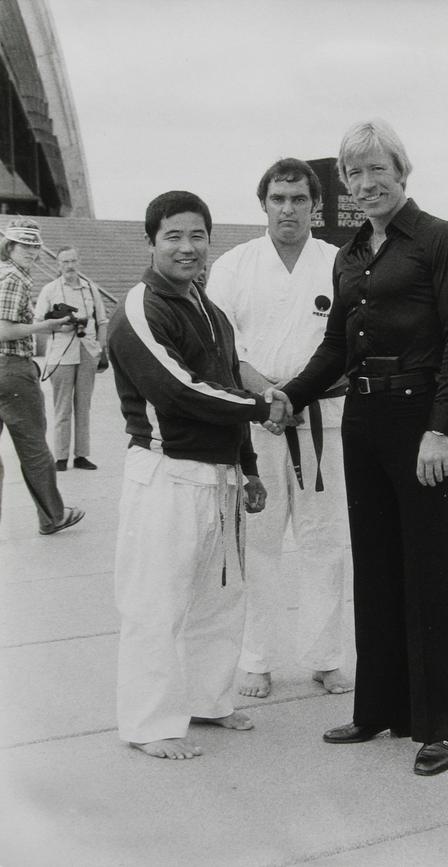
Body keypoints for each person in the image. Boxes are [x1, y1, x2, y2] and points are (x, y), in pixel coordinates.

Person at [274, 120, 448, 776]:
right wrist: (291, 397)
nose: (364, 184)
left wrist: (441, 427)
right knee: (376, 564)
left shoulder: (441, 241)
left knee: (431, 570)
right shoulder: (350, 252)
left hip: (420, 419)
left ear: (402, 170)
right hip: (363, 420)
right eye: (353, 173)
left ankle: (441, 722)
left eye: (375, 170)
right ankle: (380, 707)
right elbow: (335, 343)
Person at [108, 191, 290, 760]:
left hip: (220, 476)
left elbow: (225, 382)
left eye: (197, 236)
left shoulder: (210, 310)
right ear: (152, 242)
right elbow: (179, 391)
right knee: (156, 602)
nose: (188, 248)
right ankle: (149, 723)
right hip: (166, 473)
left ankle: (208, 700)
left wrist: (250, 467)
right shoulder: (141, 308)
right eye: (174, 236)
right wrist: (262, 407)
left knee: (221, 597)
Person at [207, 158, 351, 699]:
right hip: (257, 419)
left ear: (316, 206)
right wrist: (268, 395)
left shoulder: (340, 261)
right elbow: (224, 344)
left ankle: (325, 656)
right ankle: (256, 658)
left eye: (298, 199)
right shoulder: (234, 265)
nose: (288, 209)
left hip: (324, 419)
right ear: (263, 204)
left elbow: (349, 340)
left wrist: (298, 394)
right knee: (259, 540)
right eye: (278, 199)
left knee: (326, 539)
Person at [0, 219, 84, 535]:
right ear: (10, 246)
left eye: (36, 245)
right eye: (25, 245)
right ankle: (53, 516)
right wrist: (45, 327)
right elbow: (4, 330)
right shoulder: (14, 278)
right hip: (12, 371)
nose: (33, 252)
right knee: (34, 447)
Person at [35, 247, 108, 471]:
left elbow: (102, 320)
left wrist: (101, 349)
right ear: (58, 264)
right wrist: (61, 325)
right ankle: (60, 456)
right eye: (65, 262)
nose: (70, 265)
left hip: (87, 349)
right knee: (62, 407)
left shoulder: (90, 288)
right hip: (61, 353)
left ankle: (81, 455)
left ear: (79, 262)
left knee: (83, 406)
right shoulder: (50, 290)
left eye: (73, 260)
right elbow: (38, 324)